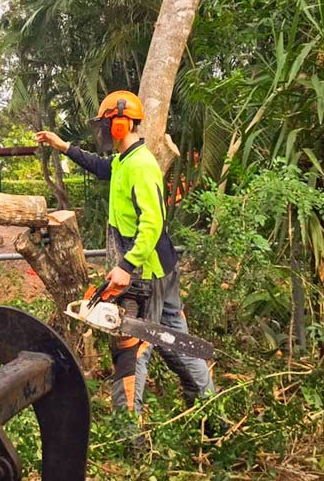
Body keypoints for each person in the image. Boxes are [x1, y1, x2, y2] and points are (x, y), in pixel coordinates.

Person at [35, 90, 215, 419]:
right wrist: (64, 148)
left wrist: (126, 267)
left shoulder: (141, 165)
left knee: (132, 347)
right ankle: (209, 410)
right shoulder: (125, 160)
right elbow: (103, 167)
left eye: (105, 125)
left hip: (145, 273)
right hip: (160, 268)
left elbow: (153, 220)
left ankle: (128, 432)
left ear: (120, 124)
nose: (101, 132)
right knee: (177, 339)